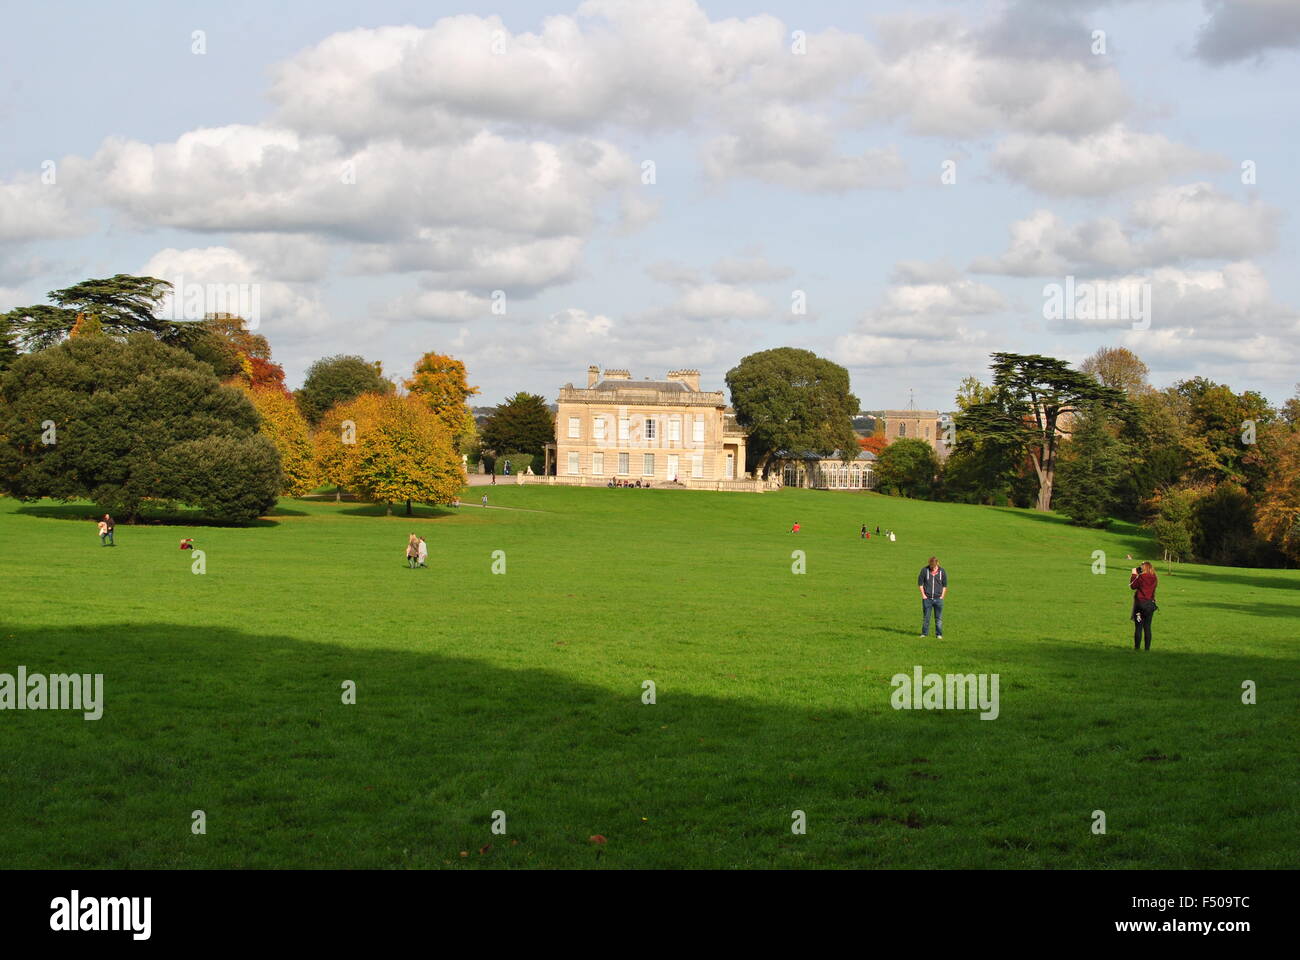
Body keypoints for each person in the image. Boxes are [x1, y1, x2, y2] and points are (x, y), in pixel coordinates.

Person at [1130, 561, 1158, 651]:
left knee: (1138, 627)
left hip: (1139, 606)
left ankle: (1137, 648)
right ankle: (1147, 649)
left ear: (1144, 568)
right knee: (1147, 627)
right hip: (1149, 605)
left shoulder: (1141, 577)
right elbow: (1153, 590)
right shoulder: (1154, 578)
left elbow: (1133, 586)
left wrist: (1134, 574)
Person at [917, 556, 947, 639]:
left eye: (933, 567)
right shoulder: (924, 570)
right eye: (931, 566)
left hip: (938, 599)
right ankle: (924, 634)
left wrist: (942, 596)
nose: (932, 568)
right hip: (927, 599)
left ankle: (939, 634)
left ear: (937, 564)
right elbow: (920, 584)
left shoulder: (942, 572)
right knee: (926, 618)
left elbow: (945, 585)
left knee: (939, 619)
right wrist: (923, 595)